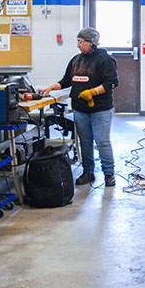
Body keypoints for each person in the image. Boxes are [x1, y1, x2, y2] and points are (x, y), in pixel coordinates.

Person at [39, 28, 119, 187]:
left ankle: (109, 174)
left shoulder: (105, 59)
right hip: (80, 109)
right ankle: (88, 172)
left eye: (81, 42)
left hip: (101, 109)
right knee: (85, 142)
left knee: (102, 142)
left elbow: (111, 82)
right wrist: (51, 88)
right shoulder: (76, 60)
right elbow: (66, 80)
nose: (78, 45)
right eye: (78, 42)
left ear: (91, 43)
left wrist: (93, 92)